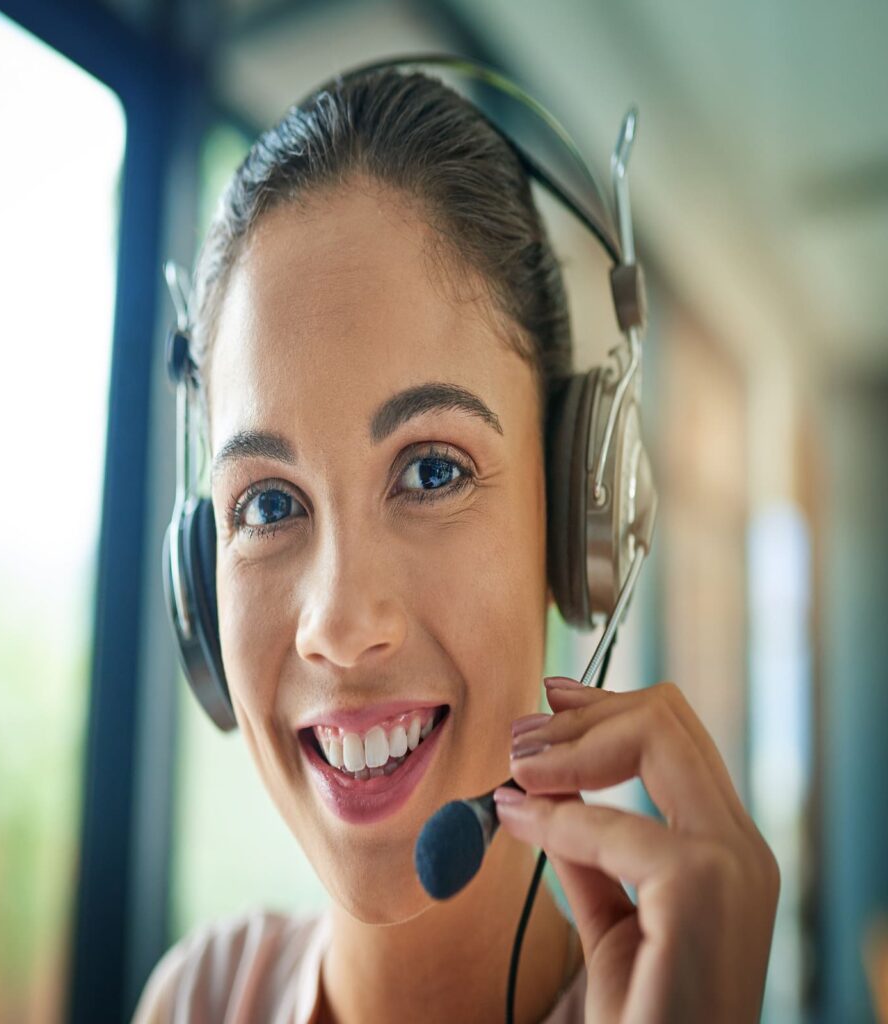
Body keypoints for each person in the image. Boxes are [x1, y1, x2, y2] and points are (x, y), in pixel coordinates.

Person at [132, 67, 780, 1023]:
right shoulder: (199, 996)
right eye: (268, 505)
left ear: (580, 524)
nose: (342, 627)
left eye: (431, 471)